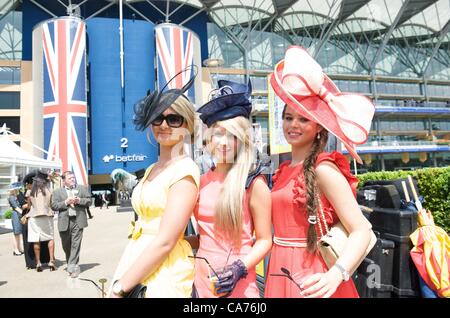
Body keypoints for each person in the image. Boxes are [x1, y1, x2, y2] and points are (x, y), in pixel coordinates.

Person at [264, 46, 376, 298]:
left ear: (318, 128)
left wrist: (336, 274)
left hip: (314, 277)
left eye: (303, 119)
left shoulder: (324, 169)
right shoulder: (282, 171)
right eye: (288, 117)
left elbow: (361, 229)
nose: (293, 125)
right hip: (279, 271)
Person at [109, 68, 200, 298]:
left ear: (187, 125)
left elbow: (166, 241)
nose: (164, 124)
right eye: (158, 117)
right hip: (137, 260)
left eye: (174, 118)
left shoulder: (185, 170)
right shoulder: (152, 168)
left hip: (165, 270)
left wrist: (121, 287)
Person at [188, 79, 272, 298]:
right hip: (201, 285)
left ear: (241, 141)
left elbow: (264, 240)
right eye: (218, 133)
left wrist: (239, 268)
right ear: (209, 138)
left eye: (232, 136)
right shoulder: (200, 181)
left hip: (239, 286)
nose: (224, 142)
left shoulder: (254, 183)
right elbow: (206, 236)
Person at [51, 171, 91, 278]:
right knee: (66, 245)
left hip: (78, 220)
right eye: (70, 178)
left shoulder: (82, 188)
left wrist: (79, 201)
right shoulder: (57, 192)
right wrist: (65, 203)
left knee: (75, 245)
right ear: (64, 181)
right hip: (64, 221)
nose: (73, 179)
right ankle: (71, 264)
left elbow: (89, 201)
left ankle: (72, 268)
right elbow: (54, 206)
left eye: (73, 177)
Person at [26, 172, 56, 272]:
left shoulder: (30, 192)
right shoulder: (49, 190)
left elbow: (29, 207)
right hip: (47, 216)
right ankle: (51, 261)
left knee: (36, 240)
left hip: (34, 218)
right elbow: (52, 205)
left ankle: (38, 263)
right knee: (50, 238)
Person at [7, 182, 24, 256]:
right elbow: (16, 207)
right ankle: (16, 250)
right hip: (16, 215)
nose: (18, 190)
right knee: (16, 234)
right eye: (16, 189)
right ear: (13, 190)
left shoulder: (16, 196)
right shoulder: (11, 197)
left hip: (19, 215)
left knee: (19, 233)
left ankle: (19, 249)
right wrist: (24, 214)